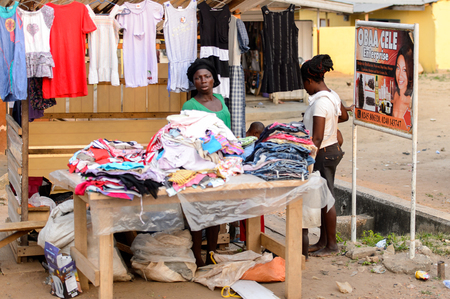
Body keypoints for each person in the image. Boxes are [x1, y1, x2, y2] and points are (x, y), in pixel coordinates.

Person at [182, 58, 231, 267]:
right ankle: (197, 255)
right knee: (198, 210)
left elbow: (227, 130)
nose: (203, 81)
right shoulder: (189, 105)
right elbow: (184, 136)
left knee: (215, 210)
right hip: (198, 163)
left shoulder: (220, 99)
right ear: (193, 82)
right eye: (198, 78)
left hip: (221, 162)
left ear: (214, 79)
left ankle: (211, 253)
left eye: (207, 76)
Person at [301, 54, 350, 257]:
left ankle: (332, 245)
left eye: (304, 84)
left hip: (323, 153)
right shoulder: (332, 95)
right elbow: (345, 116)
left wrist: (307, 160)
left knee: (327, 199)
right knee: (324, 197)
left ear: (310, 80)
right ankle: (323, 240)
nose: (305, 88)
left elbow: (318, 137)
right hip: (332, 150)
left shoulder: (321, 102)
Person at [391, 42, 413, 120]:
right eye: (398, 68)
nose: (400, 75)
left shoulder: (410, 102)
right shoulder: (396, 94)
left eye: (404, 70)